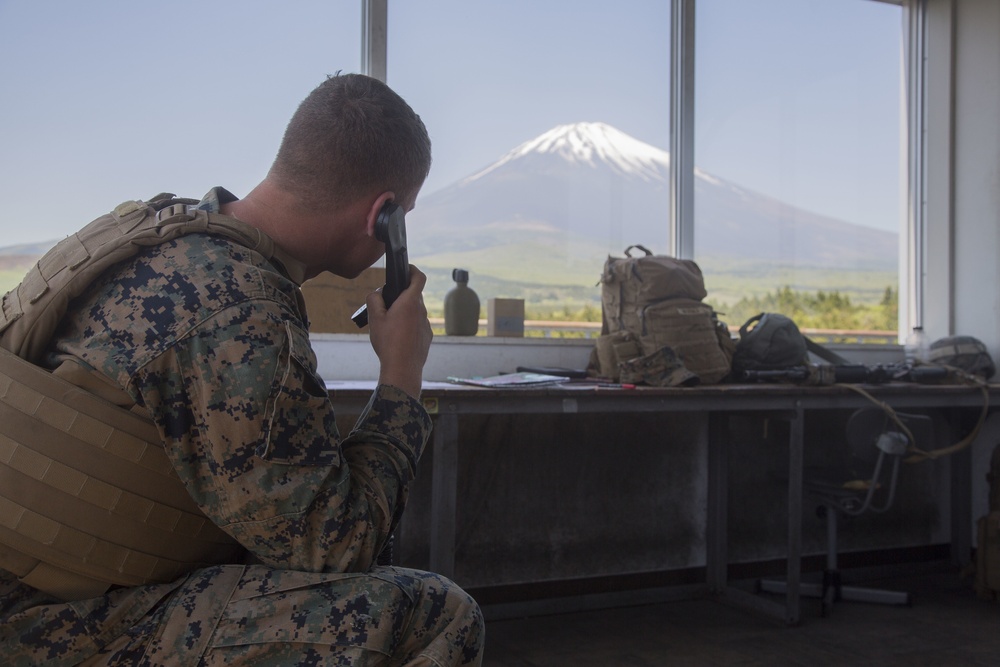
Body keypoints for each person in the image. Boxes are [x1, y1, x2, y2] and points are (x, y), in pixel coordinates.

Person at [0, 73, 484, 665]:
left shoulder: (152, 231)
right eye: (401, 217)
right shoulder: (243, 313)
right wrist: (402, 378)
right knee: (434, 613)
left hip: (42, 574)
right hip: (45, 621)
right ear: (381, 216)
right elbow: (338, 547)